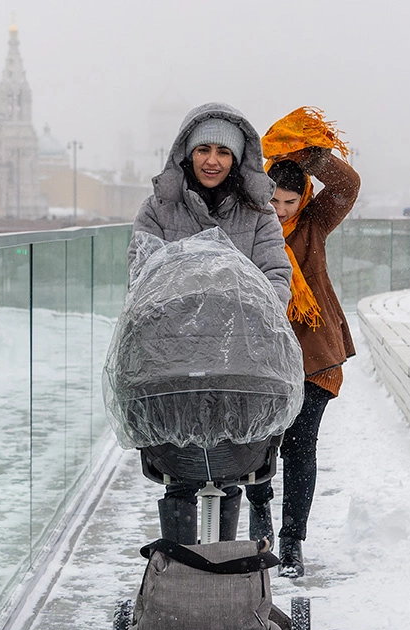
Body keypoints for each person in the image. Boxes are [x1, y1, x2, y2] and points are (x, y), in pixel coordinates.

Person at [130, 102, 291, 545]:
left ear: (237, 159)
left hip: (240, 358)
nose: (213, 160)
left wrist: (250, 312)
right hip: (174, 361)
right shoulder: (158, 211)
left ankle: (221, 570)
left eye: (224, 151)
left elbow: (276, 276)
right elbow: (142, 278)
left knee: (230, 462)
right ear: (186, 153)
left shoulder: (258, 215)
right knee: (179, 471)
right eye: (204, 149)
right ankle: (183, 574)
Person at [247, 107, 361, 578]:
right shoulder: (248, 230)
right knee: (255, 445)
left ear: (303, 200)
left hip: (314, 358)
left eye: (290, 202)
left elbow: (347, 187)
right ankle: (260, 526)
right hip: (262, 359)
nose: (281, 211)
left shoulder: (314, 225)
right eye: (273, 200)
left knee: (300, 447)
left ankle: (292, 541)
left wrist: (306, 152)